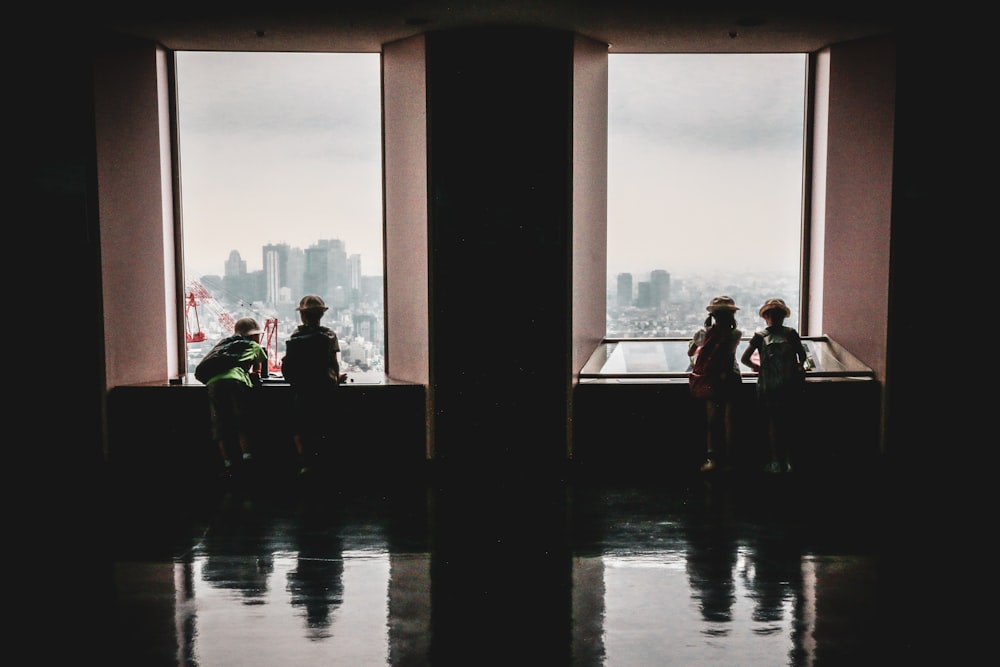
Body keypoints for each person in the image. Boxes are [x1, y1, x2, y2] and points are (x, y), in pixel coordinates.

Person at [281, 295, 348, 476]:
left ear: (302, 316)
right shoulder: (329, 335)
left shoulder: (295, 337)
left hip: (302, 389)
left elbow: (288, 367)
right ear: (321, 315)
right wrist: (335, 379)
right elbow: (333, 364)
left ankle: (305, 464)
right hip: (324, 388)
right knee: (323, 425)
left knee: (300, 427)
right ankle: (323, 464)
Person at [740, 297, 808, 473]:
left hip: (768, 384)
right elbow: (803, 357)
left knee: (773, 423)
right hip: (789, 384)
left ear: (766, 317)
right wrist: (799, 368)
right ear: (783, 316)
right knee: (789, 422)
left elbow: (744, 359)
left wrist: (759, 368)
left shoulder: (760, 336)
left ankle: (775, 460)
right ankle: (788, 461)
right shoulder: (791, 333)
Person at [204, 317, 269, 481]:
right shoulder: (254, 346)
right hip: (236, 382)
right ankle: (247, 460)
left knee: (220, 424)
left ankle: (228, 465)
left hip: (214, 384)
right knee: (242, 421)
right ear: (255, 336)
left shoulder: (224, 345)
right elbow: (257, 372)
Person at [688, 296, 743, 473]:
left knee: (711, 420)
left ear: (713, 315)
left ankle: (711, 459)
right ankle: (730, 460)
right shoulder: (736, 334)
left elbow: (691, 351)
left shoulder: (703, 333)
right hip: (730, 377)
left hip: (710, 379)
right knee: (730, 420)